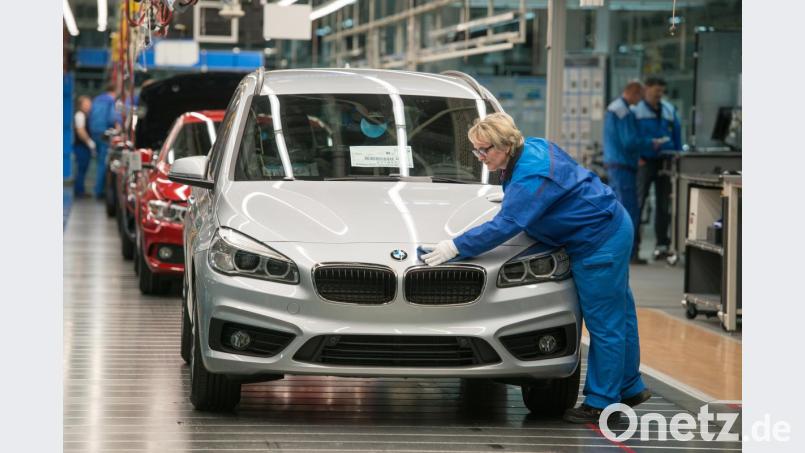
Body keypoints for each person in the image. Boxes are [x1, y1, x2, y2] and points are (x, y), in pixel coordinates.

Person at [421, 113, 651, 423]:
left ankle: (603, 402)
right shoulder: (533, 147)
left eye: (484, 150)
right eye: (476, 150)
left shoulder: (532, 176)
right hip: (610, 223)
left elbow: (509, 223)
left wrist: (456, 246)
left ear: (504, 145)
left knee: (605, 322)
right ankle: (630, 386)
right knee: (619, 312)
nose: (480, 157)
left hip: (598, 240)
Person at [603, 81, 666, 264]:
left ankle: (622, 253)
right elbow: (629, 141)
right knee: (628, 212)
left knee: (619, 210)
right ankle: (629, 255)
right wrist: (650, 143)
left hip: (616, 166)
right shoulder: (623, 112)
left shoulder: (615, 108)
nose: (640, 101)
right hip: (623, 167)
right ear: (634, 93)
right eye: (640, 96)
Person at [632, 76, 682, 260]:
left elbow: (677, 134)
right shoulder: (636, 111)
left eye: (661, 91)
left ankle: (662, 246)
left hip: (666, 161)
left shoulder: (669, 109)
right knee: (639, 203)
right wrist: (636, 157)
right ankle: (634, 249)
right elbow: (632, 137)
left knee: (664, 205)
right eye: (655, 91)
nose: (658, 95)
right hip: (644, 161)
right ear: (646, 90)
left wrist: (677, 154)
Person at [88, 82, 120, 199]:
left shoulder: (96, 99)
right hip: (105, 134)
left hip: (94, 133)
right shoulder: (111, 101)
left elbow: (91, 116)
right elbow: (112, 118)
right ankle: (99, 191)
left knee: (99, 162)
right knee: (104, 162)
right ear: (114, 91)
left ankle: (98, 188)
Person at [72, 96, 95, 198]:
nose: (89, 106)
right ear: (81, 105)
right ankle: (79, 191)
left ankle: (80, 189)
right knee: (81, 169)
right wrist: (89, 142)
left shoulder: (86, 115)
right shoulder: (80, 115)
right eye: (87, 104)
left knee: (84, 169)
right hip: (81, 147)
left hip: (84, 147)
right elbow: (80, 131)